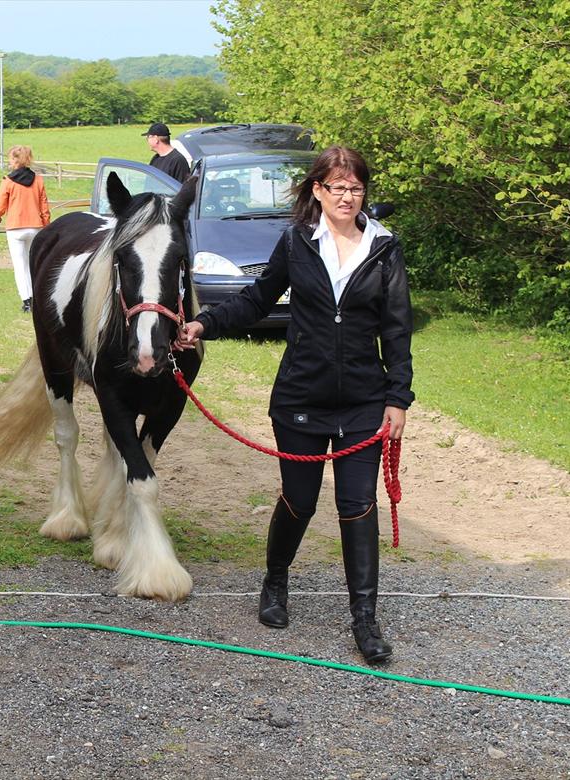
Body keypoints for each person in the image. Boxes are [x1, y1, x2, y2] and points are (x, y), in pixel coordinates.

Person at [176, 146, 413, 664]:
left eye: (355, 188)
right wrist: (204, 323)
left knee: (358, 504)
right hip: (300, 397)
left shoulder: (385, 248)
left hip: (363, 402)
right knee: (299, 500)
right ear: (318, 192)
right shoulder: (296, 242)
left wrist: (398, 398)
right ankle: (275, 582)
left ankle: (365, 619)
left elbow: (397, 329)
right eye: (337, 187)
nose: (347, 196)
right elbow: (258, 299)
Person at [0, 145, 52, 313]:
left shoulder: (8, 181)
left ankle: (27, 301)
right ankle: (38, 298)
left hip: (15, 228)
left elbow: (0, 204)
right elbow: (44, 205)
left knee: (20, 266)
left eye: (11, 159)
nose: (9, 162)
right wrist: (46, 224)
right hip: (35, 227)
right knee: (34, 264)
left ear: (17, 160)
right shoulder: (38, 180)